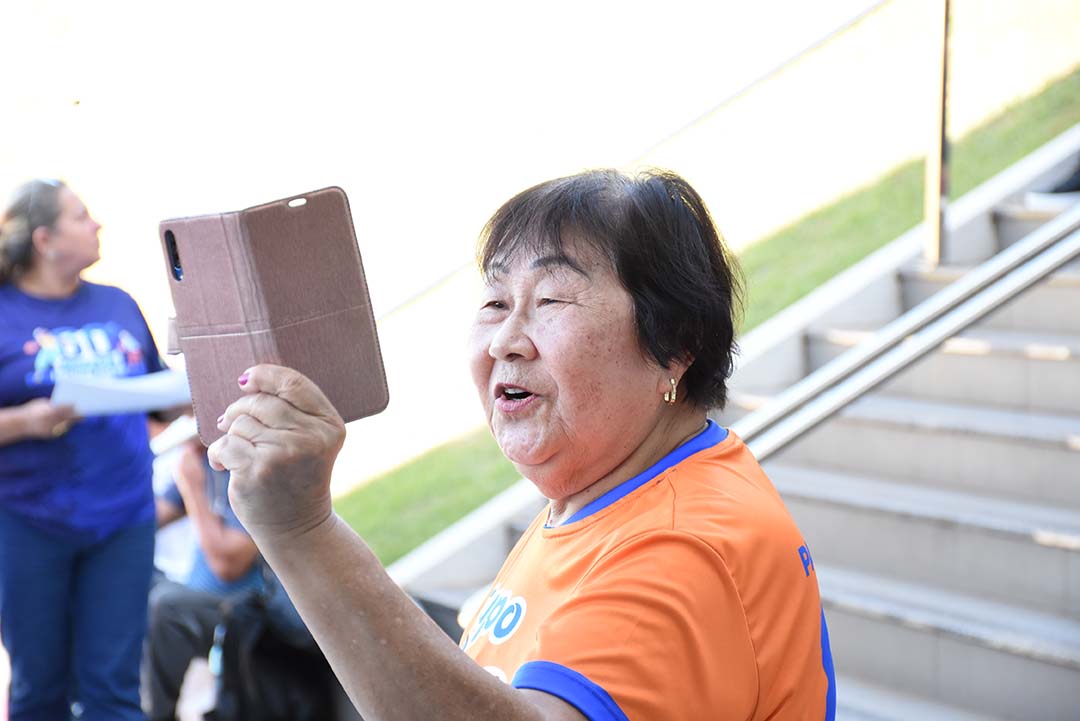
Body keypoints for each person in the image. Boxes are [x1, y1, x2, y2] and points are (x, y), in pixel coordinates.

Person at [207, 169, 835, 721]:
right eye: (495, 301)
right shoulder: (604, 493)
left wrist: (302, 531)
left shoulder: (682, 546)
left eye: (551, 299)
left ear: (674, 344)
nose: (505, 339)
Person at [0, 179, 165, 720]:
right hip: (26, 523)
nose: (96, 224)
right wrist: (24, 421)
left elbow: (161, 397)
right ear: (44, 239)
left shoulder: (117, 303)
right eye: (80, 216)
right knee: (39, 690)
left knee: (113, 689)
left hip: (123, 517)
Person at [145, 438, 311, 721]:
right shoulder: (204, 459)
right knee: (140, 588)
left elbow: (227, 564)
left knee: (165, 607)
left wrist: (192, 489)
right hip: (215, 603)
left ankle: (155, 717)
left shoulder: (251, 465)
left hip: (259, 611)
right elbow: (153, 516)